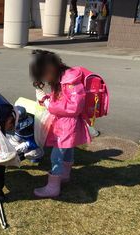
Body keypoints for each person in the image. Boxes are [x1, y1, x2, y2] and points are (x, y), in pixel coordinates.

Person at [29, 50, 91, 198]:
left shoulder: (69, 81)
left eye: (44, 75)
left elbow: (74, 106)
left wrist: (48, 103)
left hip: (66, 124)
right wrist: (47, 97)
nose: (45, 79)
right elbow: (64, 98)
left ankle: (53, 187)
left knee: (56, 156)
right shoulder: (64, 77)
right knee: (67, 150)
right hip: (66, 123)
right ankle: (64, 175)